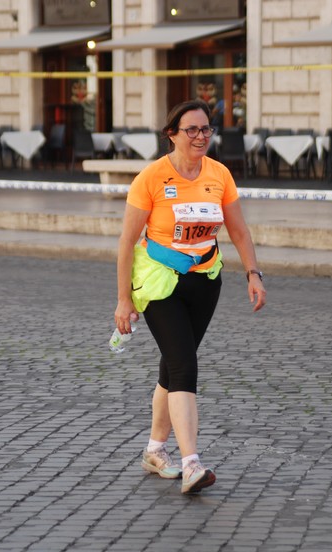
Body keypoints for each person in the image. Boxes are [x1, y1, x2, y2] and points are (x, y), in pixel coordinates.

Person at [114, 99, 266, 494]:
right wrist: (123, 299)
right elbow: (127, 243)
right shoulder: (151, 178)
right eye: (191, 130)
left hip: (205, 281)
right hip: (160, 282)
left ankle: (153, 450)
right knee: (185, 365)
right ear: (172, 134)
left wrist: (253, 273)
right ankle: (191, 461)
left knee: (173, 364)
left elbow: (239, 230)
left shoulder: (219, 174)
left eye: (206, 130)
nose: (200, 137)